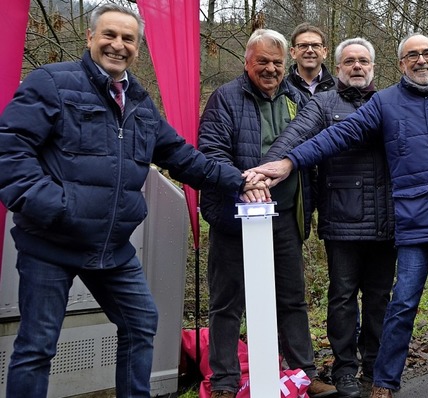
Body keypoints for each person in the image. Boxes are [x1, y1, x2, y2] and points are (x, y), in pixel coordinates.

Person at [0, 4, 269, 398]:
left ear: (138, 48)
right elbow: (11, 151)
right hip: (51, 243)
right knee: (37, 346)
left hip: (112, 247)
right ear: (90, 37)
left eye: (128, 38)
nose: (118, 45)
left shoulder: (140, 103)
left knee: (141, 322)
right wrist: (53, 206)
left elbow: (184, 158)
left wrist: (240, 180)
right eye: (109, 34)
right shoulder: (52, 83)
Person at [248, 32, 428, 398]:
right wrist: (288, 162)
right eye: (412, 56)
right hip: (416, 215)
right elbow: (338, 136)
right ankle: (385, 382)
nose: (421, 60)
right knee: (402, 301)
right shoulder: (385, 102)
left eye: (427, 54)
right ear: (401, 64)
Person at [197, 28, 337, 398]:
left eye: (277, 62)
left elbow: (312, 153)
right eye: (263, 61)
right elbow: (211, 152)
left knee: (292, 298)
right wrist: (244, 183)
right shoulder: (225, 98)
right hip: (233, 218)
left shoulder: (298, 100)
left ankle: (303, 375)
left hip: (286, 219)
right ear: (247, 62)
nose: (271, 69)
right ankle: (224, 382)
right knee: (227, 304)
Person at [261, 38, 396, 397]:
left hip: (388, 219)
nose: (356, 66)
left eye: (363, 61)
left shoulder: (391, 102)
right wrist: (266, 168)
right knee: (342, 298)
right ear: (336, 67)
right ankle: (344, 370)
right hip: (342, 219)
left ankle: (375, 367)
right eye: (349, 61)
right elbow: (294, 136)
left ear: (373, 67)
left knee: (380, 298)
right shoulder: (322, 103)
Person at [287, 23, 337, 98]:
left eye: (315, 45)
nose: (310, 50)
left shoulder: (340, 89)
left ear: (324, 52)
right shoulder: (282, 88)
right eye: (303, 46)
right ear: (293, 52)